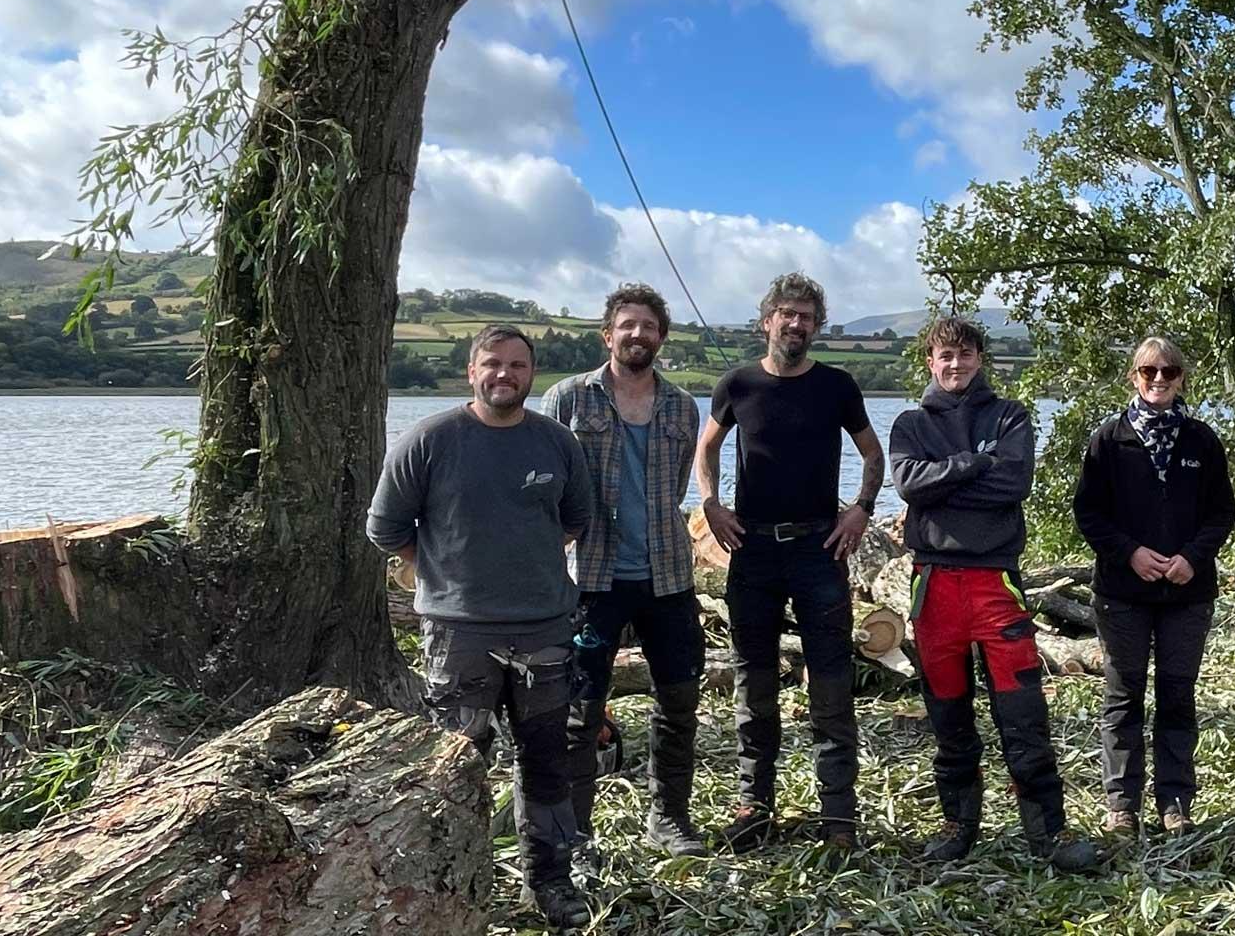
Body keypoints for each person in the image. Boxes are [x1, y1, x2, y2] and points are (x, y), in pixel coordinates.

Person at [366, 324, 596, 929]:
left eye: (518, 365)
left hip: (545, 630)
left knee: (545, 762)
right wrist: (443, 575)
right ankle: (455, 886)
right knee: (457, 762)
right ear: (472, 371)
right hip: (458, 636)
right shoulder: (431, 440)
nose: (505, 375)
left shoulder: (556, 442)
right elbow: (385, 529)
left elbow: (575, 520)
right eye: (493, 364)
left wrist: (524, 569)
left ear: (532, 374)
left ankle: (549, 881)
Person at [888, 316, 1099, 872]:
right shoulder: (910, 423)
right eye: (944, 356)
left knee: (1022, 712)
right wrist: (973, 463)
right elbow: (909, 484)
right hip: (934, 585)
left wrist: (947, 482)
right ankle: (958, 824)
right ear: (930, 363)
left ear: (980, 358)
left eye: (964, 354)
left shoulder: (1009, 416)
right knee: (948, 714)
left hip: (994, 582)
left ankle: (1047, 833)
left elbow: (1013, 484)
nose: (954, 365)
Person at [695, 272, 884, 852]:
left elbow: (872, 453)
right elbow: (706, 447)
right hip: (751, 549)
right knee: (755, 681)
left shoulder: (837, 386)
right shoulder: (738, 384)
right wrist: (711, 503)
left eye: (806, 315)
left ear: (816, 326)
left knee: (830, 682)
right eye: (787, 313)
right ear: (766, 321)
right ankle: (754, 805)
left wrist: (861, 509)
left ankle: (839, 819)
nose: (796, 323)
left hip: (819, 547)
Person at [538, 284, 707, 861]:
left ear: (662, 336)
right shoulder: (569, 398)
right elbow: (546, 480)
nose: (638, 335)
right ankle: (576, 831)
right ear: (607, 334)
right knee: (581, 709)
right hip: (592, 578)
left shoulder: (682, 406)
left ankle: (668, 818)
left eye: (649, 326)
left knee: (678, 701)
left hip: (668, 577)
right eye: (627, 325)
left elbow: (676, 485)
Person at [1072, 336, 1235, 839]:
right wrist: (1130, 553)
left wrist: (1192, 556)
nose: (1159, 380)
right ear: (1134, 377)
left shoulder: (1202, 440)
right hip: (1122, 593)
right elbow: (1088, 513)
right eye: (1149, 372)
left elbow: (1221, 512)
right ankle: (1121, 806)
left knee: (1177, 697)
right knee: (1123, 697)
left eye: (1169, 371)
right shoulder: (1108, 440)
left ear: (1182, 377)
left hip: (1187, 594)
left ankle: (1176, 803)